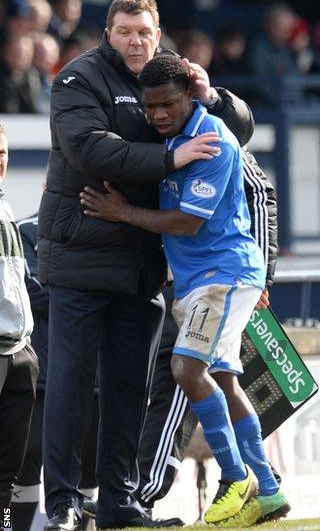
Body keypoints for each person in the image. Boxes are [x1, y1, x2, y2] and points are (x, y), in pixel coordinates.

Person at [79, 53, 289, 527]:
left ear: (190, 96)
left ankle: (237, 479)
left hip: (223, 275)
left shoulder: (212, 141)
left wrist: (121, 212)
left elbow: (187, 223)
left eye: (167, 105)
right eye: (150, 107)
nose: (157, 116)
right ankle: (269, 491)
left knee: (185, 368)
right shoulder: (169, 140)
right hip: (201, 280)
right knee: (226, 382)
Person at [37, 0, 223, 530]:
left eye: (144, 31)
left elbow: (231, 134)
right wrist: (169, 157)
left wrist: (213, 99)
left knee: (129, 389)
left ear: (158, 31)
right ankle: (63, 505)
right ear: (108, 33)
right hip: (81, 255)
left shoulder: (173, 77)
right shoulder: (77, 79)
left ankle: (119, 503)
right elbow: (89, 151)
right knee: (70, 387)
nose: (136, 41)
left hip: (142, 260)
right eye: (124, 31)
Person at [12, 213, 99, 531]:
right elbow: (32, 289)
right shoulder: (26, 230)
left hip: (94, 378)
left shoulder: (101, 230)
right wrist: (88, 295)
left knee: (88, 471)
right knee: (22, 466)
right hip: (42, 375)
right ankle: (11, 526)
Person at [0, 124, 39, 530]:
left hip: (19, 351)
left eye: (4, 152)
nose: (1, 161)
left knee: (10, 469)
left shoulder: (7, 207)